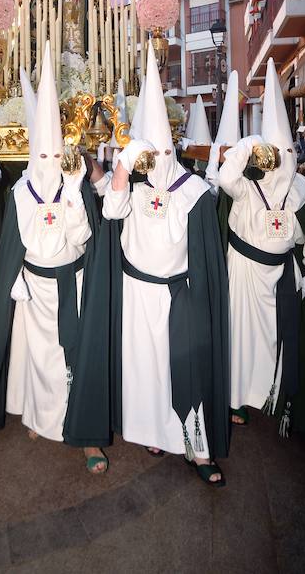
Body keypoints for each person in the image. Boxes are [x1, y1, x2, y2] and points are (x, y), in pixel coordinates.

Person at [66, 42, 230, 485]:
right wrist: (122, 168)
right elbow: (111, 212)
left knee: (184, 367)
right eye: (146, 152)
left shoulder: (192, 190)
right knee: (144, 366)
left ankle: (198, 449)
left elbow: (203, 251)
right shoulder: (131, 186)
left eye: (159, 151)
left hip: (179, 294)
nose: (153, 161)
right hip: (136, 293)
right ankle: (155, 431)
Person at [0, 44, 108, 472]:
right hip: (36, 287)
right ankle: (42, 416)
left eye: (57, 154)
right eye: (43, 154)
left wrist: (75, 194)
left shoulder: (72, 184)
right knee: (40, 355)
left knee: (73, 353)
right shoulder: (20, 191)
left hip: (72, 283)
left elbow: (81, 234)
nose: (50, 162)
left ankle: (84, 431)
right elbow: (22, 239)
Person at [219, 58, 305, 454]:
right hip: (242, 272)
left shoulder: (303, 190)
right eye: (272, 154)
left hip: (283, 276)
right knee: (240, 338)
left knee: (283, 344)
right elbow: (224, 177)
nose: (279, 161)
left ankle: (285, 401)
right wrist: (246, 146)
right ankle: (234, 396)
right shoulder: (245, 185)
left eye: (285, 152)